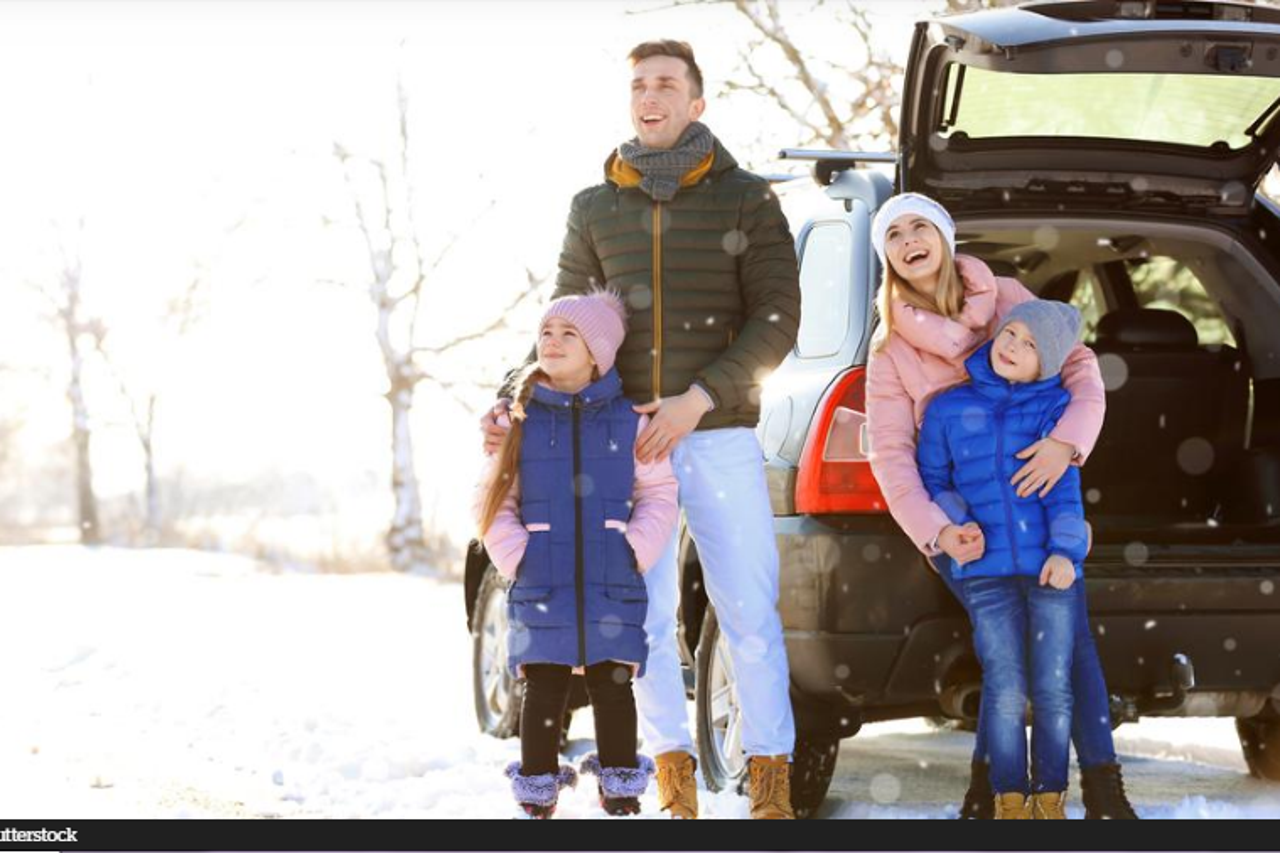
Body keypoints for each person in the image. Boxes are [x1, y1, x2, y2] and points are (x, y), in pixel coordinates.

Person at [481, 40, 802, 819]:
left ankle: (771, 786)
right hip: (617, 444)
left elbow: (777, 318)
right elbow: (561, 325)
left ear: (696, 102)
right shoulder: (596, 208)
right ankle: (672, 784)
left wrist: (698, 398)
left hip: (717, 432)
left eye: (666, 84)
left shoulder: (747, 200)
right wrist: (515, 393)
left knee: (748, 612)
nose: (649, 95)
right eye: (638, 85)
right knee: (641, 620)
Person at [864, 192, 1138, 820]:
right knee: (1009, 655)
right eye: (894, 234)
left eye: (920, 226)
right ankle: (989, 793)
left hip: (1037, 515)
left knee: (1069, 645)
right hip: (966, 530)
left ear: (944, 235)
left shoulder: (1005, 297)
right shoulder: (891, 350)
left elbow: (1079, 368)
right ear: (887, 257)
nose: (909, 240)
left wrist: (1067, 443)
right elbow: (892, 456)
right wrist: (940, 531)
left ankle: (1102, 791)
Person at [474, 289, 679, 818]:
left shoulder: (628, 421)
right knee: (543, 682)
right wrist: (518, 556)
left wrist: (634, 548)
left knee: (614, 682)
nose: (553, 341)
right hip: (541, 575)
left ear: (597, 354)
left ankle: (621, 790)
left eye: (570, 334)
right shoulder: (518, 422)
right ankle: (537, 793)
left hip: (613, 574)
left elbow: (658, 492)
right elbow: (494, 499)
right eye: (546, 331)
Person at [918, 301, 1090, 819]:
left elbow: (1065, 493)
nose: (1012, 346)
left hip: (1049, 571)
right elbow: (933, 479)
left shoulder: (1053, 411)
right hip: (985, 572)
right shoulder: (948, 409)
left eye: (1030, 344)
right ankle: (1009, 799)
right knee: (1006, 686)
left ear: (1047, 364)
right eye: (1010, 333)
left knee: (1054, 687)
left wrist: (1066, 552)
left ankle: (1050, 799)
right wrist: (955, 522)